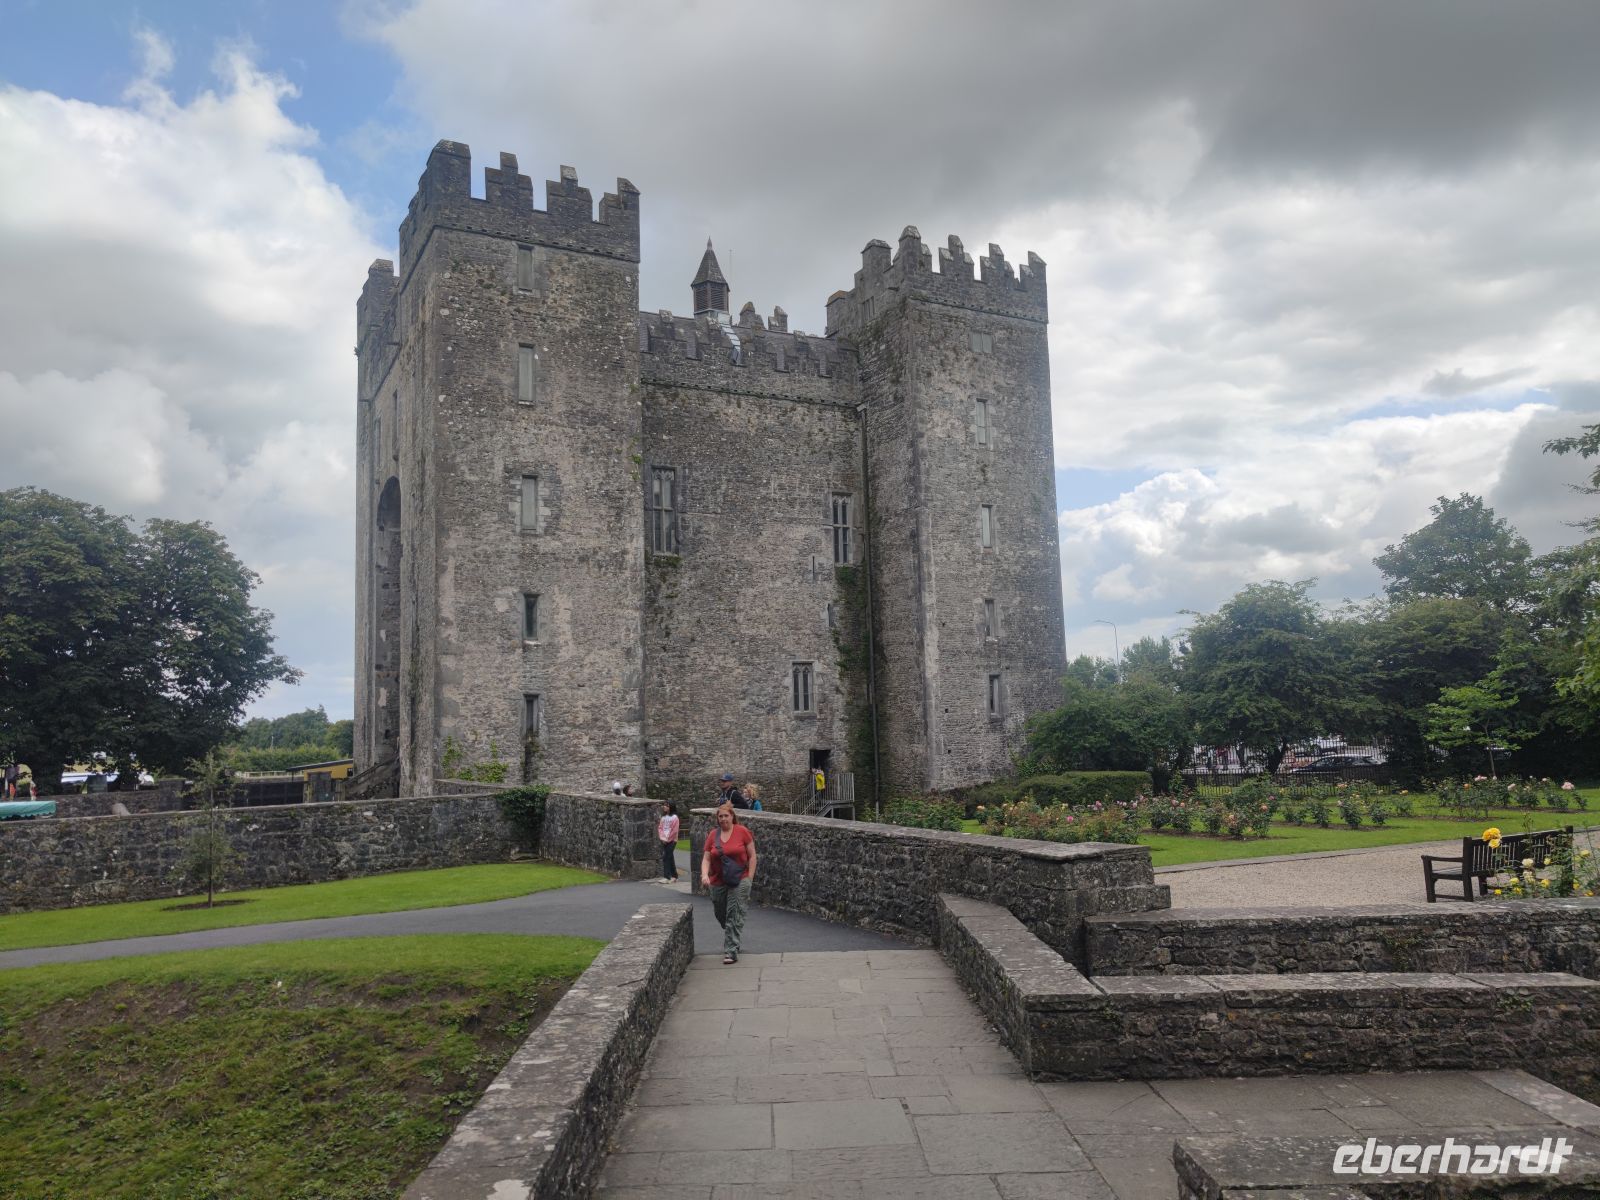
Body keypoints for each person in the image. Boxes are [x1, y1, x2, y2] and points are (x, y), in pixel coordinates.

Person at [701, 803, 756, 964]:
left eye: (726, 815)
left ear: (732, 816)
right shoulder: (713, 835)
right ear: (717, 819)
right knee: (721, 913)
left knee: (733, 913)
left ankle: (730, 950)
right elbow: (706, 858)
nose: (723, 818)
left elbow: (752, 856)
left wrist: (750, 878)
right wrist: (705, 875)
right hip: (718, 880)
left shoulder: (742, 832)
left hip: (740, 879)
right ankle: (734, 933)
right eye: (720, 816)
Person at [657, 801, 680, 882]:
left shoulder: (674, 818)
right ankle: (674, 876)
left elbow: (674, 830)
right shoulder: (663, 818)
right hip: (664, 840)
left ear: (671, 807)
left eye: (667, 806)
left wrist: (668, 839)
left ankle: (667, 877)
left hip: (672, 840)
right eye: (664, 805)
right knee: (670, 857)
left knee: (666, 857)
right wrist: (662, 838)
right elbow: (660, 828)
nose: (664, 807)